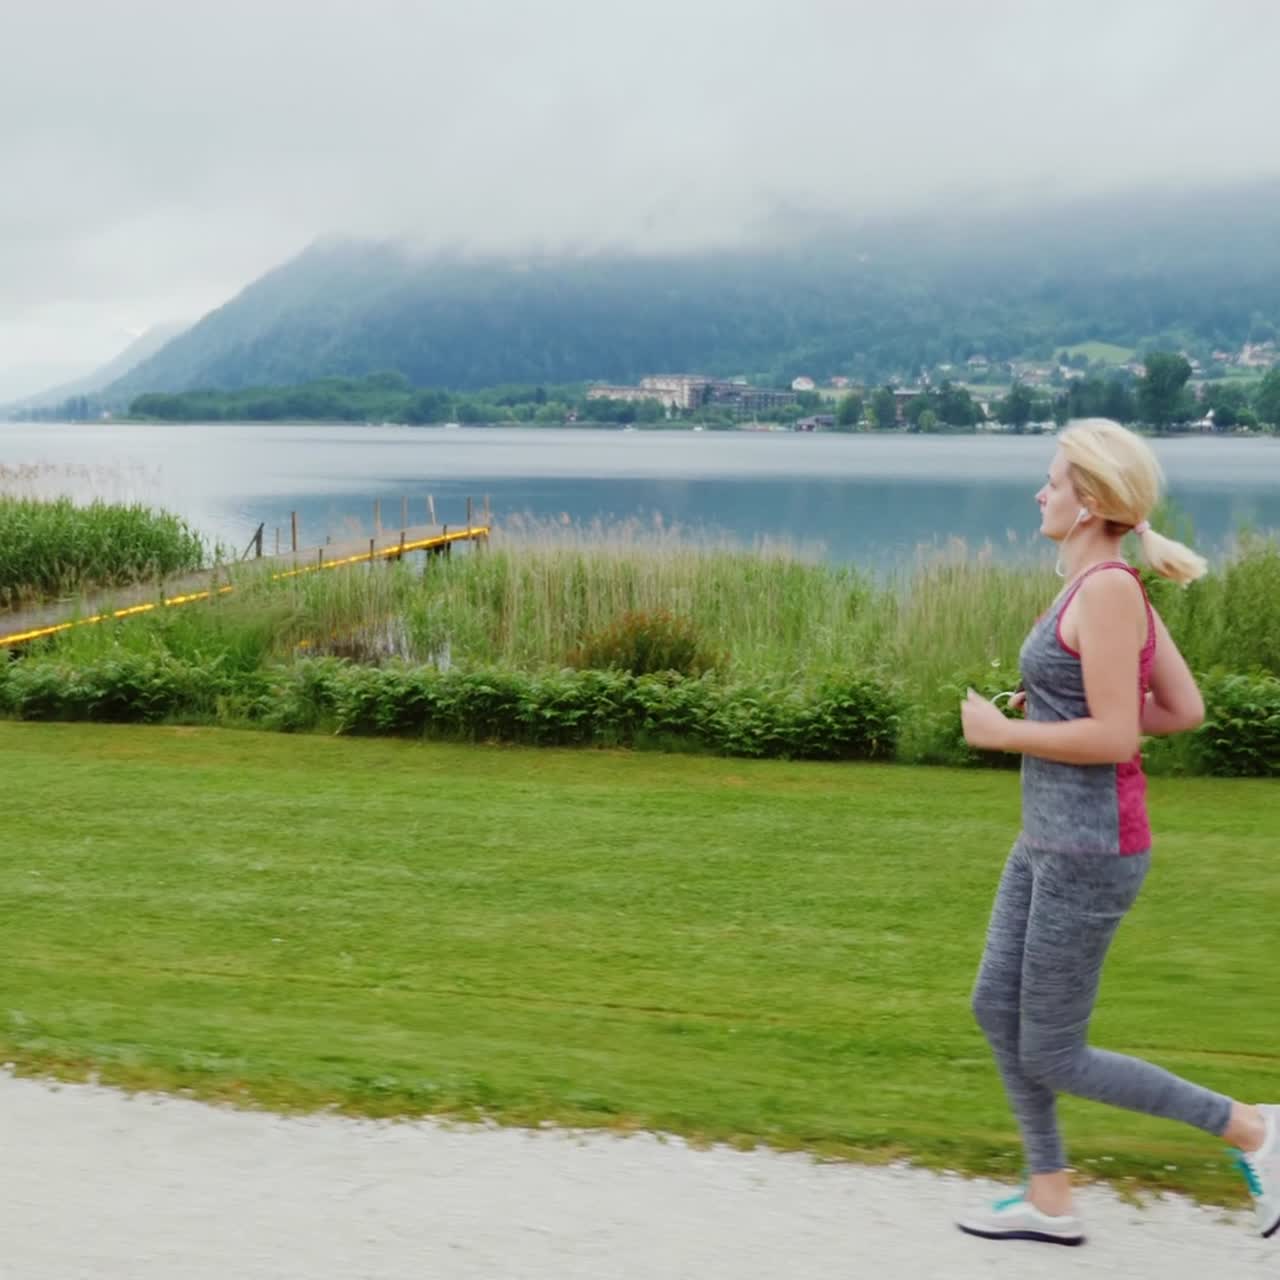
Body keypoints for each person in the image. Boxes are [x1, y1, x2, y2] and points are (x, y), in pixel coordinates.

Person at [955, 418, 1277, 1247]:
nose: (1041, 492)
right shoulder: (1101, 582)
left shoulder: (1106, 589)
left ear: (1089, 500)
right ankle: (1051, 1193)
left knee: (1055, 1052)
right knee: (996, 1005)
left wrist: (1004, 734)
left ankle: (1256, 1131)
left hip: (1089, 851)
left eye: (1054, 481)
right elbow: (1180, 707)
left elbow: (1116, 740)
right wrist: (1056, 707)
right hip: (1050, 840)